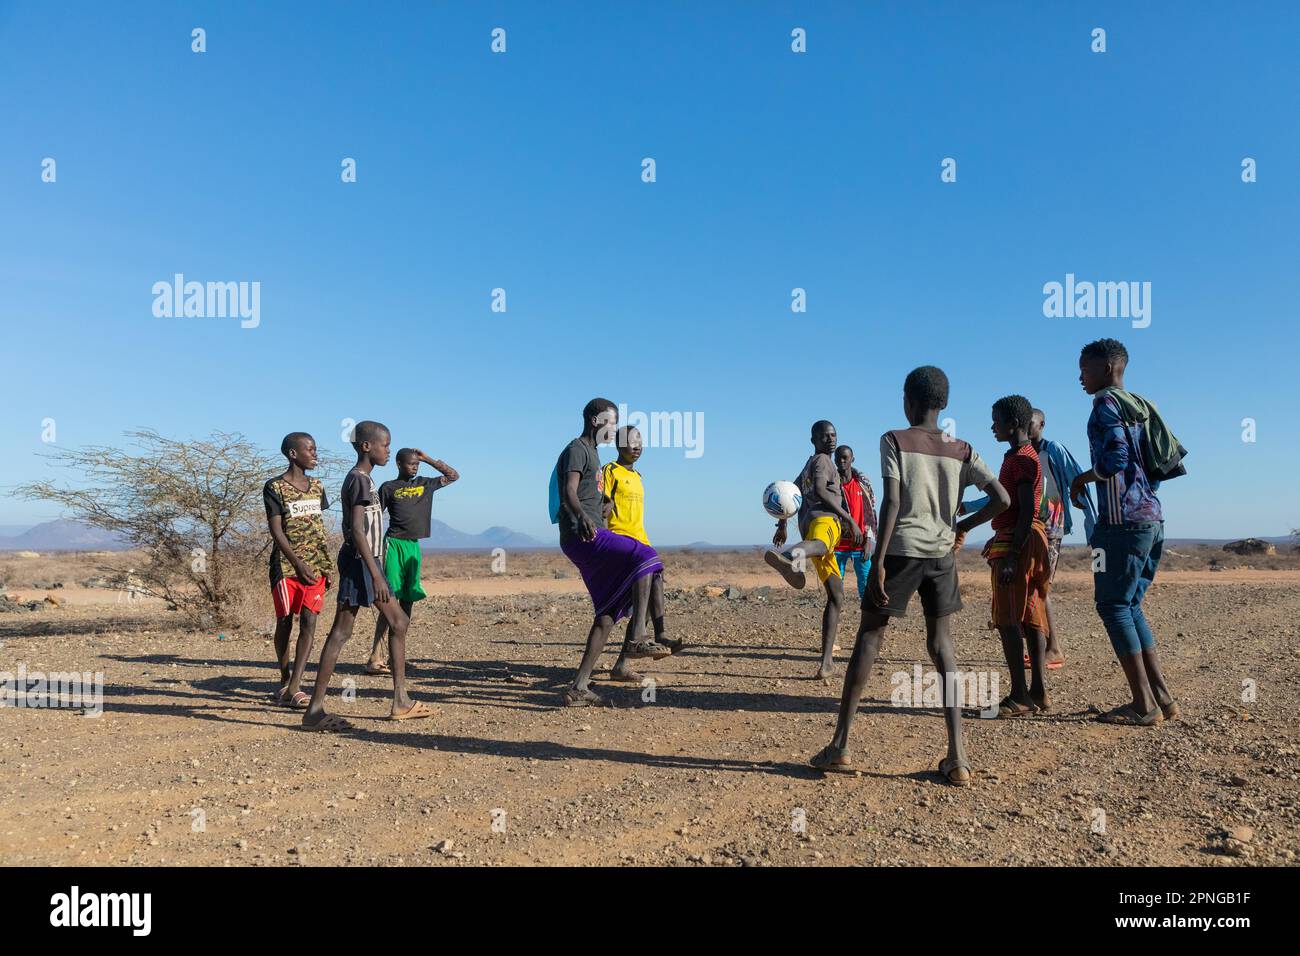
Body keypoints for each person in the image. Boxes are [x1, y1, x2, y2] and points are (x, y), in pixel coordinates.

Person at [810, 367, 1009, 785]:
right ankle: (958, 757)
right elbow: (1001, 498)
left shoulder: (894, 440)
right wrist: (963, 527)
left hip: (900, 552)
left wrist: (879, 559)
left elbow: (893, 501)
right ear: (944, 404)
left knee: (869, 637)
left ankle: (840, 746)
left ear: (907, 400)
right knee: (942, 647)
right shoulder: (963, 449)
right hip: (940, 556)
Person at [1070, 339, 1179, 726]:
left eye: (1085, 368)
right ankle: (1162, 698)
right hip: (1152, 519)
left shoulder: (1105, 404)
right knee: (1130, 605)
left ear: (1108, 368)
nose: (1079, 375)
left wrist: (1082, 478)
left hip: (1121, 524)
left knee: (1113, 605)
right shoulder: (1140, 405)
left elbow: (1115, 457)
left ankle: (1143, 704)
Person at [300, 421, 435, 730]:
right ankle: (398, 701)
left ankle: (316, 710)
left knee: (342, 632)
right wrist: (376, 574)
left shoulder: (365, 480)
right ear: (366, 446)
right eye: (384, 445)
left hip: (361, 561)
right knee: (397, 621)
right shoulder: (359, 480)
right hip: (362, 561)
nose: (388, 450)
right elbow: (357, 530)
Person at [554, 399, 667, 706]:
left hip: (588, 530)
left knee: (607, 613)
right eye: (611, 423)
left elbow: (592, 496)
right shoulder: (577, 449)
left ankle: (578, 686)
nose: (614, 429)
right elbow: (569, 491)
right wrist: (584, 517)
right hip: (583, 535)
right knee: (647, 557)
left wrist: (603, 507)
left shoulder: (592, 454)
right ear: (595, 421)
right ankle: (636, 639)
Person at [766, 421, 864, 679]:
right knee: (821, 545)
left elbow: (790, 494)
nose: (830, 440)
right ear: (814, 440)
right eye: (825, 436)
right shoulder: (823, 461)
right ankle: (789, 557)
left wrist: (783, 524)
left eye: (833, 435)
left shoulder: (808, 465)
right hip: (824, 521)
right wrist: (850, 519)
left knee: (837, 595)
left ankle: (827, 663)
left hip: (807, 526)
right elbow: (821, 491)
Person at [982, 395, 1053, 717]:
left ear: (1012, 424)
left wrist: (1011, 554)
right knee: (1031, 612)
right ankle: (1038, 691)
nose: (992, 426)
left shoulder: (1021, 459)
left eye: (996, 420)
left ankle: (1020, 694)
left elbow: (1024, 510)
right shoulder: (1023, 455)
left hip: (1017, 540)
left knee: (1010, 618)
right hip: (1028, 539)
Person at [364, 448, 459, 675]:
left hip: (413, 546)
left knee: (408, 600)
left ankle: (396, 657)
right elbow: (375, 516)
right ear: (398, 464)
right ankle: (374, 657)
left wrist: (428, 459)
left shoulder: (427, 483)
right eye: (411, 464)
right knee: (390, 599)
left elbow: (453, 475)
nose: (415, 467)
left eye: (417, 464)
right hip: (394, 544)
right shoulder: (388, 488)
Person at [601, 427, 680, 673]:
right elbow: (601, 507)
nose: (636, 446)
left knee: (650, 587)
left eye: (639, 442)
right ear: (617, 445)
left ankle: (625, 664)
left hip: (640, 541)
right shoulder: (609, 471)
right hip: (620, 540)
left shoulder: (638, 477)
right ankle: (656, 634)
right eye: (630, 442)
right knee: (648, 572)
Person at [264, 432, 332, 709]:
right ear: (293, 454)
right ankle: (284, 678)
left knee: (310, 621)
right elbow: (276, 529)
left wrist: (321, 563)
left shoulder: (317, 486)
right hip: (286, 567)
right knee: (285, 622)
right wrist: (296, 562)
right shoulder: (275, 487)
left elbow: (317, 526)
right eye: (310, 449)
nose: (315, 454)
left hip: (317, 566)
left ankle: (295, 687)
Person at [832, 445, 878, 604]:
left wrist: (869, 540)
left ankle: (867, 621)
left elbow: (871, 513)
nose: (841, 461)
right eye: (838, 458)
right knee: (835, 586)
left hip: (861, 544)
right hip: (837, 544)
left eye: (845, 458)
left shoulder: (862, 484)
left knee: (866, 585)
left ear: (853, 459)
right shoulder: (831, 485)